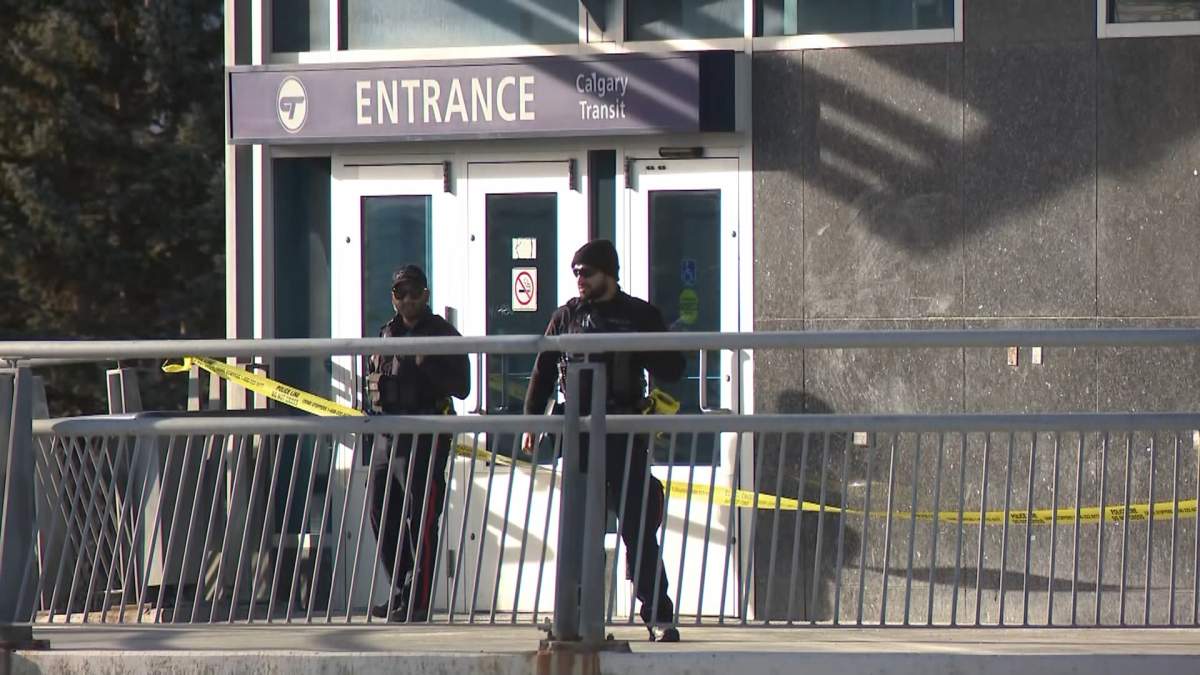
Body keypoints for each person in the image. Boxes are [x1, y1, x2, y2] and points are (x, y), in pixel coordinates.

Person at [521, 240, 686, 642]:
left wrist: (655, 343)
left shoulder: (638, 315)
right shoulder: (567, 317)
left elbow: (673, 367)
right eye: (576, 272)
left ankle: (658, 615)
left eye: (588, 272)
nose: (580, 280)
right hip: (578, 436)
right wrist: (532, 421)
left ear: (609, 274)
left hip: (624, 432)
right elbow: (543, 371)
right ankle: (577, 617)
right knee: (581, 530)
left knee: (637, 527)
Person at [365, 265, 470, 622]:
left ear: (426, 294)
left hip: (427, 433)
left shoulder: (443, 334)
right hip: (388, 435)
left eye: (414, 292)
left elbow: (463, 388)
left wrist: (427, 363)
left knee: (421, 519)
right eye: (400, 293)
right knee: (381, 513)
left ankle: (417, 601)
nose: (407, 300)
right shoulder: (385, 334)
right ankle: (401, 589)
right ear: (392, 298)